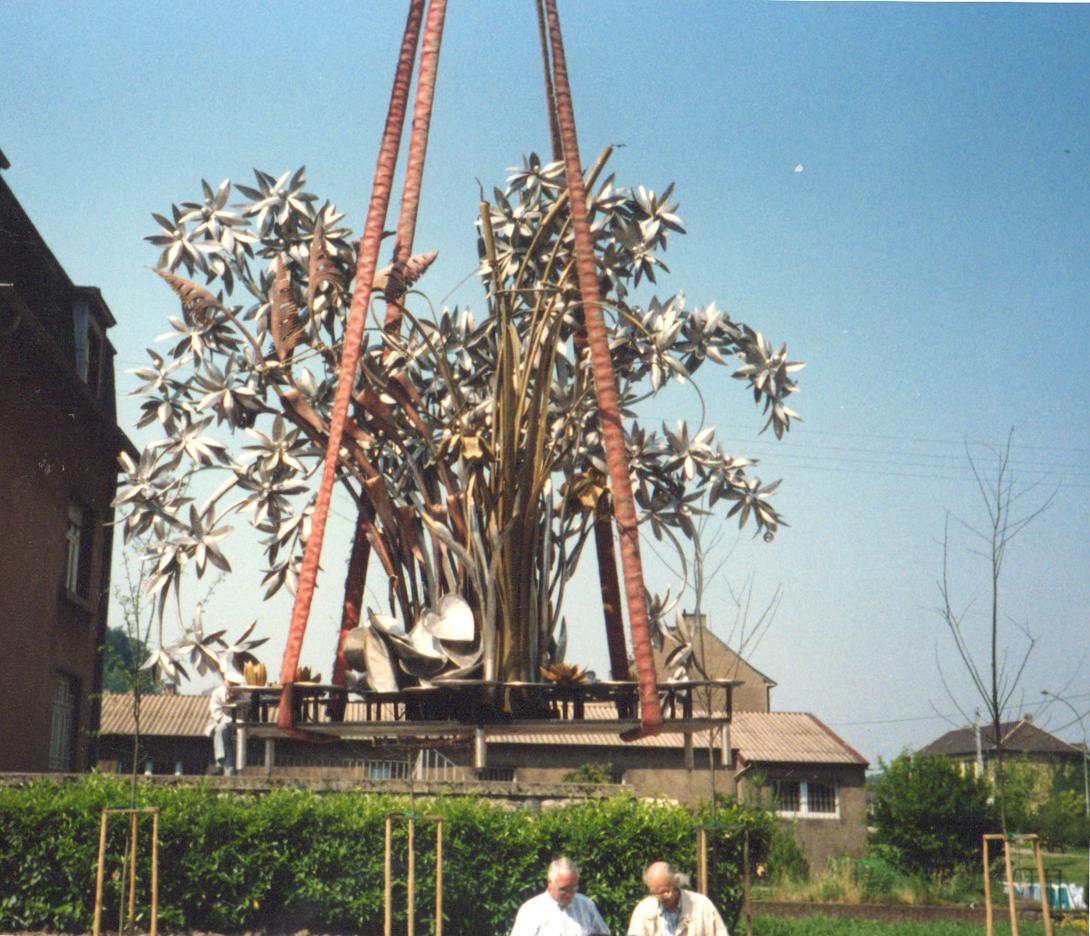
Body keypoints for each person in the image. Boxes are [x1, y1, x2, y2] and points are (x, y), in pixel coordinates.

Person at [510, 856, 610, 936]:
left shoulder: (586, 905)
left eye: (573, 888)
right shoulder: (531, 910)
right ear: (549, 882)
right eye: (563, 889)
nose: (569, 895)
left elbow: (603, 933)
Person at [626, 861, 728, 936]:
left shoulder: (702, 905)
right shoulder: (643, 910)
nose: (661, 898)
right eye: (655, 894)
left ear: (677, 883)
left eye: (665, 892)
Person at [206, 670, 241, 775]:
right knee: (221, 731)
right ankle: (221, 762)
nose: (232, 688)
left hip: (240, 723)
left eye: (235, 685)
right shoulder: (217, 693)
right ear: (225, 683)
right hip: (222, 721)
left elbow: (246, 711)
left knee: (227, 737)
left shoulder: (244, 693)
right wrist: (229, 721)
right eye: (230, 684)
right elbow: (216, 713)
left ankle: (227, 768)